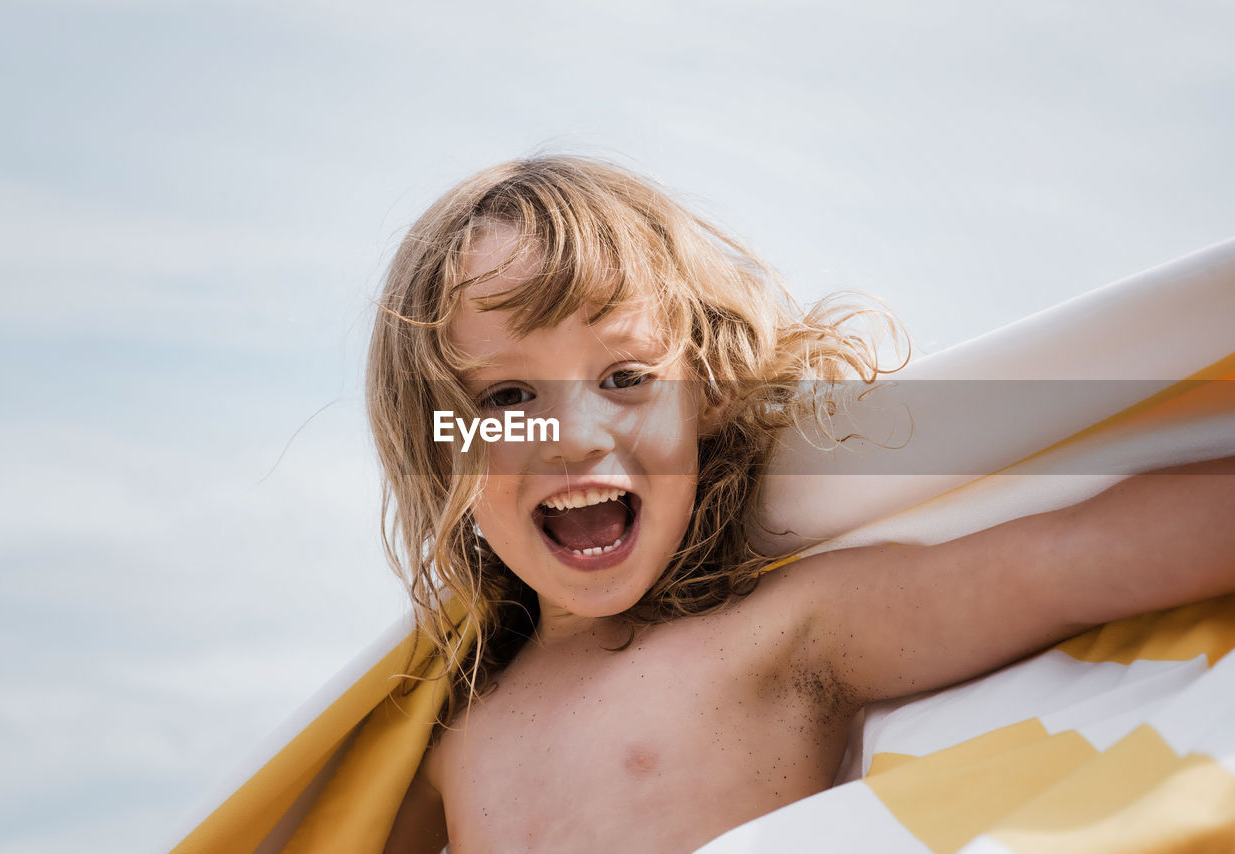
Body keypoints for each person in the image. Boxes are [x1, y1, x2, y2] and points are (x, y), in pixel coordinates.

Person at [365, 156, 1234, 853]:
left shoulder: (782, 639)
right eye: (507, 398)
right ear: (439, 442)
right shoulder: (446, 734)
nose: (575, 435)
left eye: (626, 378)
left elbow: (1065, 563)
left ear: (707, 395)